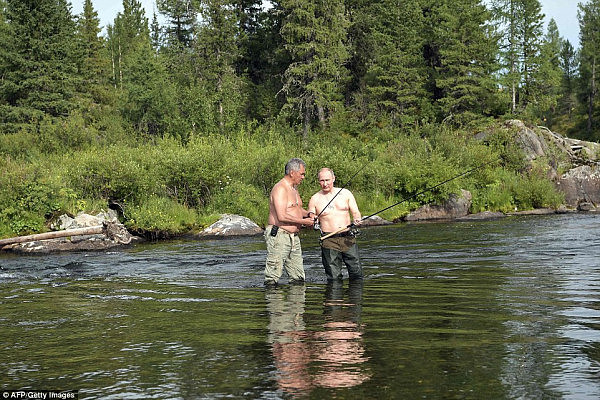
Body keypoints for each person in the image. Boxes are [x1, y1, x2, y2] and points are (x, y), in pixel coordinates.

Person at [264, 158, 315, 285]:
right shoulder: (280, 188)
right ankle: (274, 303)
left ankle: (297, 303)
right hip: (279, 236)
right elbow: (282, 216)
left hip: (293, 238)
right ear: (292, 172)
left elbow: (296, 209)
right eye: (302, 174)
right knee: (273, 277)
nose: (303, 177)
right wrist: (304, 222)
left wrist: (309, 214)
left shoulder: (294, 189)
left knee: (298, 277)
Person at [308, 168, 363, 281]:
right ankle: (334, 298)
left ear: (333, 179)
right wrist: (313, 219)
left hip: (348, 237)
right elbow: (311, 215)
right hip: (329, 240)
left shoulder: (346, 193)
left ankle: (355, 298)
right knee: (334, 278)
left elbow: (356, 212)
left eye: (327, 180)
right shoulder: (315, 198)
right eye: (322, 180)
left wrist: (357, 219)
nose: (325, 183)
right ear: (318, 181)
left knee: (356, 273)